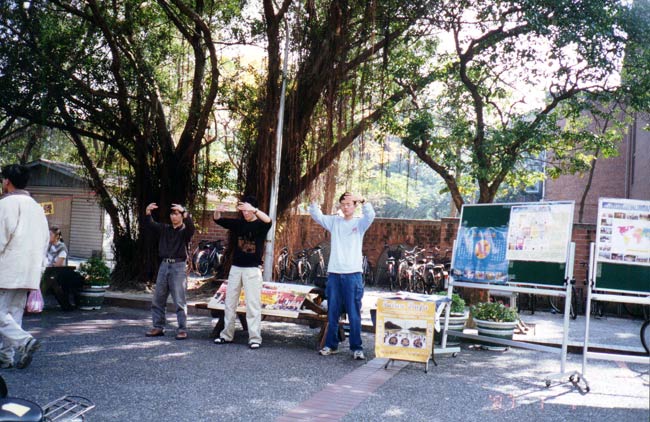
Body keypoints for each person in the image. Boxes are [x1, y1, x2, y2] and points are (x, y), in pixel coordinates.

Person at [309, 192, 375, 360]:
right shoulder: (334, 222)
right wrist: (314, 202)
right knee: (333, 312)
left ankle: (357, 347)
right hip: (334, 273)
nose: (345, 208)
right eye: (343, 204)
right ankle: (330, 345)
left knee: (354, 313)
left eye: (349, 204)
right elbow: (317, 216)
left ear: (354, 206)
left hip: (353, 274)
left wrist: (363, 200)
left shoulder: (360, 223)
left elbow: (370, 215)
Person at [0, 164, 50, 369]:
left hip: (6, 268)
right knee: (13, 314)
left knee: (2, 314)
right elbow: (45, 241)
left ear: (7, 181)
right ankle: (6, 357)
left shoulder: (6, 204)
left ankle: (24, 341)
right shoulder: (37, 207)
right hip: (30, 270)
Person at [212, 196, 271, 349]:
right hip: (236, 268)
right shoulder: (238, 223)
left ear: (254, 209)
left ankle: (255, 338)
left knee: (253, 305)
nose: (245, 213)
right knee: (230, 303)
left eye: (247, 210)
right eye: (243, 210)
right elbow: (218, 220)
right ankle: (226, 335)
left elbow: (269, 221)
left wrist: (254, 210)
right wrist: (217, 211)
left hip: (252, 269)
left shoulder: (260, 225)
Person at [143, 202, 195, 340]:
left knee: (179, 300)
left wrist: (184, 211)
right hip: (164, 265)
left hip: (179, 266)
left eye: (176, 214)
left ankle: (182, 329)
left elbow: (191, 227)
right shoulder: (165, 228)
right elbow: (151, 225)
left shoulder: (185, 231)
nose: (173, 216)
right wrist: (148, 212)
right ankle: (158, 327)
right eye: (172, 214)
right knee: (158, 298)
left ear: (182, 216)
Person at [41, 227, 82, 311]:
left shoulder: (62, 248)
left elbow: (58, 264)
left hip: (59, 273)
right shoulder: (48, 246)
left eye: (50, 234)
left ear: (57, 236)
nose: (48, 236)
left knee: (51, 282)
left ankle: (66, 305)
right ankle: (65, 305)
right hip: (49, 271)